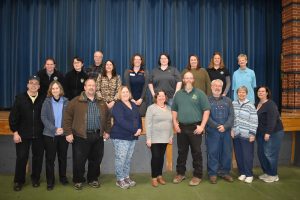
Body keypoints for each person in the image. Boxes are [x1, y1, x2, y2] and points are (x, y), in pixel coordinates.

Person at [63, 78, 111, 190]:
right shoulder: (75, 101)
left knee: (96, 160)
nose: (91, 87)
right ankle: (78, 180)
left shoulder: (101, 102)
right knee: (79, 160)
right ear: (84, 87)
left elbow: (108, 117)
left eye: (93, 85)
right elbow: (67, 118)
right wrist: (68, 133)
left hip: (98, 136)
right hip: (81, 136)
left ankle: (93, 179)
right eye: (89, 85)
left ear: (96, 88)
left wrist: (107, 131)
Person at [171, 71, 210, 186]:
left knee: (197, 152)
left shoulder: (200, 93)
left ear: (193, 80)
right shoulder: (178, 94)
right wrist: (175, 123)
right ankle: (180, 174)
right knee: (181, 152)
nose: (188, 80)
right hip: (181, 128)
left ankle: (197, 175)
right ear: (183, 80)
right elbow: (174, 110)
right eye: (186, 78)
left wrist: (202, 126)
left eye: (190, 78)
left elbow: (206, 110)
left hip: (195, 128)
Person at [9, 75, 45, 191]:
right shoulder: (20, 98)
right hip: (22, 134)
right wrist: (15, 132)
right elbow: (13, 117)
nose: (33, 85)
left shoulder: (43, 99)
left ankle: (35, 179)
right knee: (21, 157)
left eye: (36, 83)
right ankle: (19, 181)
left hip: (39, 135)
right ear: (27, 85)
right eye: (31, 83)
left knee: (38, 158)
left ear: (39, 86)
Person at [109, 86, 142, 189]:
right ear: (119, 94)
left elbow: (138, 118)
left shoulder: (133, 104)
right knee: (121, 158)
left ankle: (126, 177)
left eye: (127, 92)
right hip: (120, 136)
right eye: (123, 92)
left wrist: (140, 128)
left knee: (127, 159)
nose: (125, 94)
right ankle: (120, 179)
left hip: (132, 136)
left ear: (129, 93)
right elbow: (121, 121)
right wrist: (134, 130)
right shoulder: (117, 105)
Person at [41, 81, 69, 190]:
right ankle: (50, 181)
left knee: (63, 158)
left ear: (60, 89)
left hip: (63, 134)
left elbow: (69, 117)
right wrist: (54, 129)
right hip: (50, 135)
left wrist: (63, 129)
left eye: (57, 88)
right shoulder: (46, 102)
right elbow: (43, 117)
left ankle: (63, 178)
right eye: (53, 88)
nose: (55, 90)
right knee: (50, 159)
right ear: (50, 90)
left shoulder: (66, 101)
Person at [206, 79, 234, 184]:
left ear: (222, 88)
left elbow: (232, 116)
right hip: (213, 131)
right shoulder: (207, 100)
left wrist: (225, 126)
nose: (217, 88)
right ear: (211, 87)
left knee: (226, 152)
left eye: (219, 86)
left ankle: (225, 172)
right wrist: (217, 126)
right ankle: (212, 173)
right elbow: (206, 116)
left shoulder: (228, 101)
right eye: (215, 86)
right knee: (213, 152)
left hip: (226, 131)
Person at [256, 86, 284, 183]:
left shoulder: (270, 104)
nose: (261, 93)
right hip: (260, 133)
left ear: (267, 93)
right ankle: (267, 172)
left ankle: (273, 175)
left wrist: (268, 133)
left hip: (273, 133)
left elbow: (272, 120)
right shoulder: (258, 104)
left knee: (270, 154)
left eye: (263, 91)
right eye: (259, 91)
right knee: (261, 154)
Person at [145, 90, 173, 187]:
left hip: (165, 138)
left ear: (166, 97)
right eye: (159, 96)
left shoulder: (169, 108)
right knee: (156, 157)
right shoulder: (151, 108)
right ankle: (154, 177)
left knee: (161, 158)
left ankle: (159, 176)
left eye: (163, 96)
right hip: (154, 138)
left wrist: (171, 136)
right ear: (156, 97)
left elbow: (171, 123)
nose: (161, 97)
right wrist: (148, 138)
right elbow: (148, 124)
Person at [232, 86, 258, 183]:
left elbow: (254, 120)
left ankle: (249, 174)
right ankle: (242, 173)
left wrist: (252, 133)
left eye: (243, 92)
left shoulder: (250, 105)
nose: (241, 94)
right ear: (237, 93)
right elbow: (231, 118)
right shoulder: (233, 104)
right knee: (239, 155)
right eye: (239, 92)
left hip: (247, 135)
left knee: (247, 155)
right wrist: (231, 129)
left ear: (246, 94)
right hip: (236, 134)